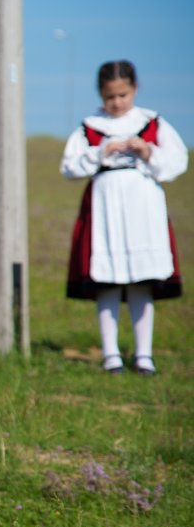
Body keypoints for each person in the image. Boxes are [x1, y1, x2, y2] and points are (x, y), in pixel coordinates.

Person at [62, 60, 187, 375]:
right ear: (101, 95)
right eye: (110, 97)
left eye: (122, 95)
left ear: (134, 90)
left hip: (143, 205)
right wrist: (100, 152)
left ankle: (144, 354)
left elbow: (177, 161)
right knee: (108, 279)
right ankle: (111, 354)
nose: (116, 103)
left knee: (141, 280)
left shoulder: (152, 122)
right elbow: (69, 167)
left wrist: (147, 153)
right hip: (105, 205)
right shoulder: (90, 126)